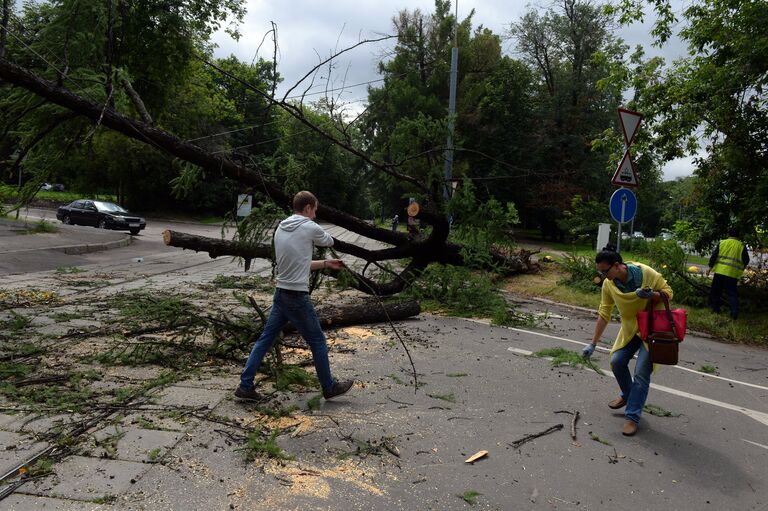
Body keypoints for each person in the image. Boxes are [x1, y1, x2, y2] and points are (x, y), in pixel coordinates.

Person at [235, 191, 353, 401]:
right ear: (307, 207)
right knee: (317, 341)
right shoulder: (309, 226)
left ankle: (245, 386)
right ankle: (329, 387)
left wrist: (326, 264)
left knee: (265, 340)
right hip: (297, 297)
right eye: (315, 210)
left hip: (281, 294)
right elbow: (328, 241)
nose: (315, 214)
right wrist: (322, 238)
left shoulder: (281, 227)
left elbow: (299, 264)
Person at [582, 245, 673, 436]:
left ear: (618, 265)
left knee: (641, 373)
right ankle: (628, 395)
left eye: (605, 271)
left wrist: (653, 295)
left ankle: (632, 416)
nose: (603, 275)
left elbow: (668, 293)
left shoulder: (646, 273)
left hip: (652, 330)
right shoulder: (609, 284)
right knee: (616, 361)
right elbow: (604, 312)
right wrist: (593, 343)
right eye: (600, 271)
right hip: (631, 329)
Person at [708, 228, 749, 320]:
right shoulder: (742, 245)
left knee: (716, 291)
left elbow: (714, 256)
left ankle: (715, 309)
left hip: (720, 272)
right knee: (732, 293)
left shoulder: (722, 242)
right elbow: (746, 260)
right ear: (738, 235)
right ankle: (734, 313)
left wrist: (710, 268)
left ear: (728, 234)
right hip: (732, 274)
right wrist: (741, 269)